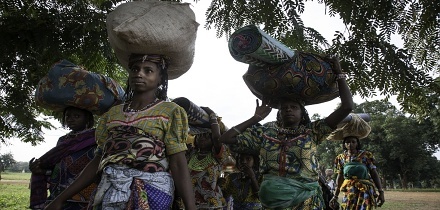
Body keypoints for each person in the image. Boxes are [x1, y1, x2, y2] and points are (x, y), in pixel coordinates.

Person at [45, 54, 196, 210]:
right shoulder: (112, 114)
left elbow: (178, 162)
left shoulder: (171, 112)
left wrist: (191, 208)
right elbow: (99, 160)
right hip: (111, 190)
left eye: (148, 70)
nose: (139, 74)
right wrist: (60, 199)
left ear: (160, 79)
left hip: (152, 193)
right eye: (135, 69)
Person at [219, 56, 353, 210]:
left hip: (306, 203)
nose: (288, 109)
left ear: (302, 113)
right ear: (279, 113)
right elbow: (226, 138)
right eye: (284, 108)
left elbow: (347, 107)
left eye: (294, 107)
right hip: (273, 204)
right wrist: (255, 118)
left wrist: (339, 74)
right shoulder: (265, 134)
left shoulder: (313, 132)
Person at [29, 106, 97, 210]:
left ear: (87, 118)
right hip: (58, 193)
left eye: (77, 116)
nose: (70, 119)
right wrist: (40, 170)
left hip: (85, 195)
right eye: (68, 116)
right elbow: (57, 168)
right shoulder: (62, 140)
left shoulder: (96, 138)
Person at [328, 114, 385, 210]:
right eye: (348, 142)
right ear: (344, 144)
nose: (350, 144)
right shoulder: (341, 158)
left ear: (357, 143)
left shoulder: (366, 156)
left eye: (353, 142)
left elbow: (374, 173)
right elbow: (340, 177)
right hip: (349, 192)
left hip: (365, 191)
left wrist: (381, 192)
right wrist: (335, 196)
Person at [187, 107, 227, 209]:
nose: (202, 138)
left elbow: (217, 137)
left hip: (213, 205)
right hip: (191, 204)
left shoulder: (218, 155)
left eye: (206, 136)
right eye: (199, 136)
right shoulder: (190, 154)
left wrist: (212, 116)